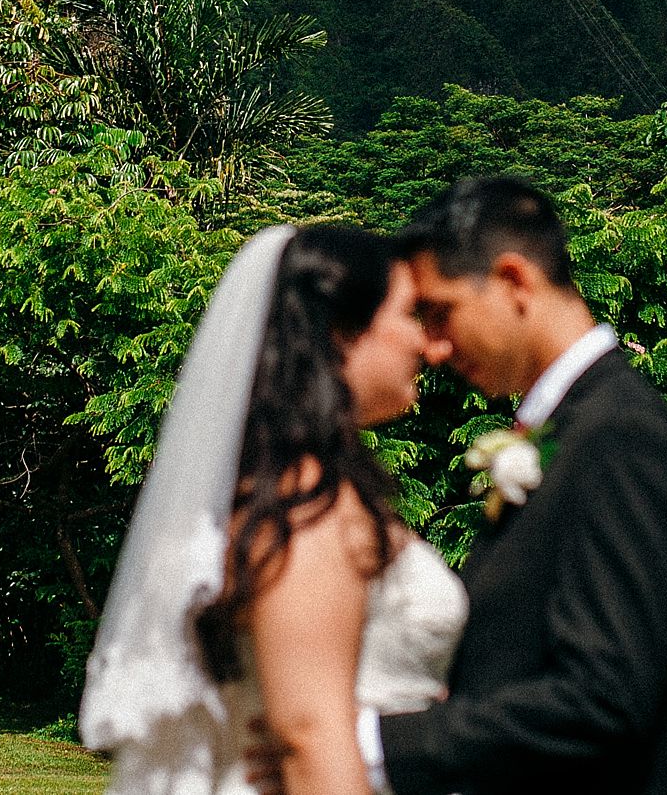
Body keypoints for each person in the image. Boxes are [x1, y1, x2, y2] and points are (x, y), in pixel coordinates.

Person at [79, 224, 466, 795]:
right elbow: (309, 735)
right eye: (413, 316)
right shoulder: (305, 504)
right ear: (340, 333)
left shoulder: (303, 490)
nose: (433, 346)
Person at [360, 175, 667, 795]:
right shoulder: (566, 428)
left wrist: (373, 743)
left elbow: (604, 699)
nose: (433, 348)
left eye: (442, 313)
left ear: (514, 281)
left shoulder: (620, 432)